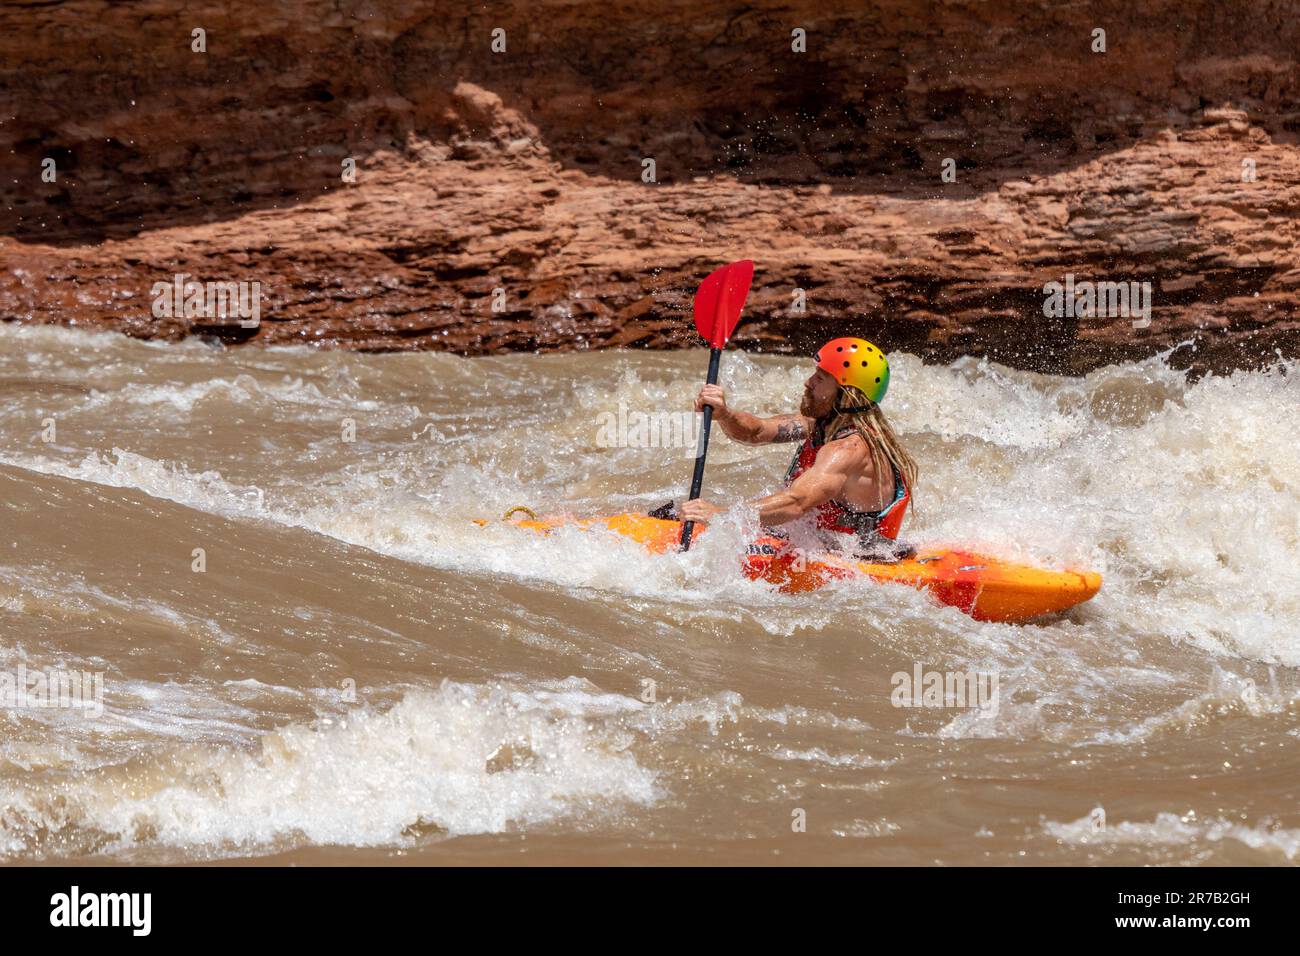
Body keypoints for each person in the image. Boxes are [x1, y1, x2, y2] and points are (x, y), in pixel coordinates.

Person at [676, 337, 918, 557]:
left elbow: (796, 502)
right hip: (820, 544)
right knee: (666, 512)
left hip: (857, 558)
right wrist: (724, 414)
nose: (808, 382)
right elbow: (756, 431)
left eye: (820, 378)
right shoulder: (821, 424)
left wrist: (721, 515)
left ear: (847, 395)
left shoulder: (849, 449)